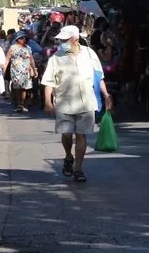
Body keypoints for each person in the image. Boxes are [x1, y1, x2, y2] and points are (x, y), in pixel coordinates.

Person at [42, 25, 111, 183]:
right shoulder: (56, 58)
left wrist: (106, 94)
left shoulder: (89, 54)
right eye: (62, 40)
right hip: (64, 102)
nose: (62, 43)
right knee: (66, 134)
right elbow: (48, 82)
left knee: (81, 135)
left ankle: (78, 169)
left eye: (66, 39)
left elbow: (99, 77)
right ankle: (68, 156)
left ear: (76, 39)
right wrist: (47, 101)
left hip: (86, 102)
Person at [7, 31, 37, 113]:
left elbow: (31, 59)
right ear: (17, 39)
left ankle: (22, 104)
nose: (24, 39)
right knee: (17, 87)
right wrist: (4, 69)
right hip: (16, 70)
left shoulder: (28, 48)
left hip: (26, 70)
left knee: (24, 88)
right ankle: (18, 104)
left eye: (25, 38)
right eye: (21, 38)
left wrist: (34, 69)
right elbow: (7, 58)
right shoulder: (12, 48)